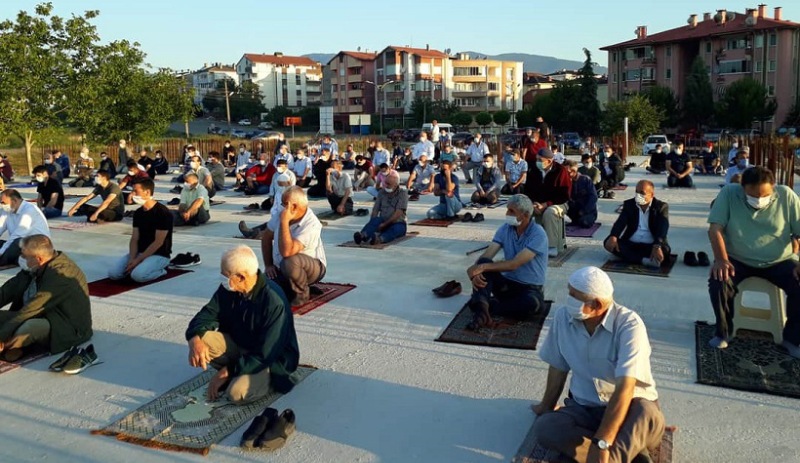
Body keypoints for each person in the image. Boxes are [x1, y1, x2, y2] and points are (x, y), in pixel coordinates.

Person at [532, 266, 665, 463]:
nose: (568, 299)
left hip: (630, 408)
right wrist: (546, 406)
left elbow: (625, 390)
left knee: (645, 414)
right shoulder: (562, 317)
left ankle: (602, 452)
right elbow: (558, 367)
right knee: (546, 427)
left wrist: (602, 440)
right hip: (584, 409)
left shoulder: (629, 325)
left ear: (596, 304)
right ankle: (618, 456)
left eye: (574, 296)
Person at [185, 245, 299, 402]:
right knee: (203, 339)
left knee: (236, 394)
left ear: (241, 277)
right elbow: (206, 315)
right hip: (242, 346)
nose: (221, 279)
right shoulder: (229, 289)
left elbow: (266, 354)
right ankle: (240, 370)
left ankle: (267, 380)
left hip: (270, 360)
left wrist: (228, 371)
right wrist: (194, 339)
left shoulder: (273, 301)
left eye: (225, 275)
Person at [706, 166, 800, 356]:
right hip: (738, 259)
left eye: (764, 194)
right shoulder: (729, 194)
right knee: (719, 282)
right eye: (752, 195)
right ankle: (724, 332)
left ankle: (792, 338)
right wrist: (721, 259)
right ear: (742, 188)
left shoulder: (787, 196)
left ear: (773, 187)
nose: (758, 199)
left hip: (779, 260)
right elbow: (715, 229)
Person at [0, 235, 92, 362]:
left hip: (64, 324)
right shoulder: (34, 266)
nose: (21, 259)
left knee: (29, 328)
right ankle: (16, 347)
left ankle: (8, 346)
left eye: (24, 256)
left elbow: (31, 310)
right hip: (36, 313)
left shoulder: (62, 274)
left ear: (39, 259)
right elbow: (7, 291)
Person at [465, 194, 548, 329]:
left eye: (512, 211)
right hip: (507, 286)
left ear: (525, 215)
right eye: (508, 209)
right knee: (484, 263)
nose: (507, 213)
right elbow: (488, 254)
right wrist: (476, 271)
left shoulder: (538, 234)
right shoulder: (505, 228)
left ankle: (484, 305)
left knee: (533, 305)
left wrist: (481, 267)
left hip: (529, 289)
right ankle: (483, 311)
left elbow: (513, 264)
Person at [261, 186, 327, 306]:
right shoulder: (282, 214)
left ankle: (302, 294)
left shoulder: (312, 224)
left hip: (312, 268)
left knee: (290, 262)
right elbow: (266, 237)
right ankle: (291, 287)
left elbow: (287, 252)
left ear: (294, 206)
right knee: (261, 289)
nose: (282, 206)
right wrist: (269, 265)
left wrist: (284, 222)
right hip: (282, 267)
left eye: (284, 203)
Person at [108, 179, 173, 283]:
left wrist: (138, 261)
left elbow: (158, 242)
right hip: (140, 252)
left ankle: (162, 270)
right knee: (114, 274)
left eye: (135, 191)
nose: (132, 194)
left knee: (138, 276)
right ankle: (141, 265)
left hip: (159, 255)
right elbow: (134, 238)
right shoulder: (138, 213)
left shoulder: (162, 212)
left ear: (147, 192)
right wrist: (132, 259)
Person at [604, 180, 671, 268]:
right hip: (631, 243)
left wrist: (657, 245)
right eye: (636, 192)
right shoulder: (629, 204)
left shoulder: (661, 207)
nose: (638, 195)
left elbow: (663, 228)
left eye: (642, 193)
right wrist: (614, 236)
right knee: (608, 242)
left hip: (651, 245)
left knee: (664, 251)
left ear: (651, 195)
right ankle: (642, 260)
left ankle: (627, 256)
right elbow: (620, 222)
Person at [526, 149, 572, 257]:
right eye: (536, 159)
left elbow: (564, 195)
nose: (537, 162)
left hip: (559, 203)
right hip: (537, 203)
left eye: (540, 160)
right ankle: (521, 242)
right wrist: (533, 203)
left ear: (550, 161)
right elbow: (528, 190)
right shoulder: (533, 169)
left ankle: (552, 247)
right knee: (520, 209)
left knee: (550, 213)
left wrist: (547, 204)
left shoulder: (560, 171)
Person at [353, 171, 408, 245]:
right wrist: (372, 222)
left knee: (396, 230)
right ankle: (363, 236)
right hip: (382, 220)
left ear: (395, 185)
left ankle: (379, 239)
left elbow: (398, 213)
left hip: (397, 222)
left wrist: (385, 224)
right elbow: (375, 209)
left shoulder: (402, 194)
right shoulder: (382, 192)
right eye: (385, 183)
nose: (385, 185)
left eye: (388, 184)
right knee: (375, 221)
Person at [0, 189, 50, 266]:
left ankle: (4, 260)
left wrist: (1, 251)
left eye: (3, 203)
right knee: (4, 244)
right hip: (20, 244)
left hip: (36, 246)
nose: (2, 205)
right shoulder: (7, 209)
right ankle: (17, 259)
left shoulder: (29, 210)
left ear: (14, 201)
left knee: (17, 242)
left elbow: (17, 236)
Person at [565, 160, 598, 228]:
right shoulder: (566, 181)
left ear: (573, 171)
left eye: (567, 172)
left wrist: (584, 211)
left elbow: (593, 197)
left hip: (588, 211)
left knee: (584, 223)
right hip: (574, 210)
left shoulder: (585, 180)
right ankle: (575, 220)